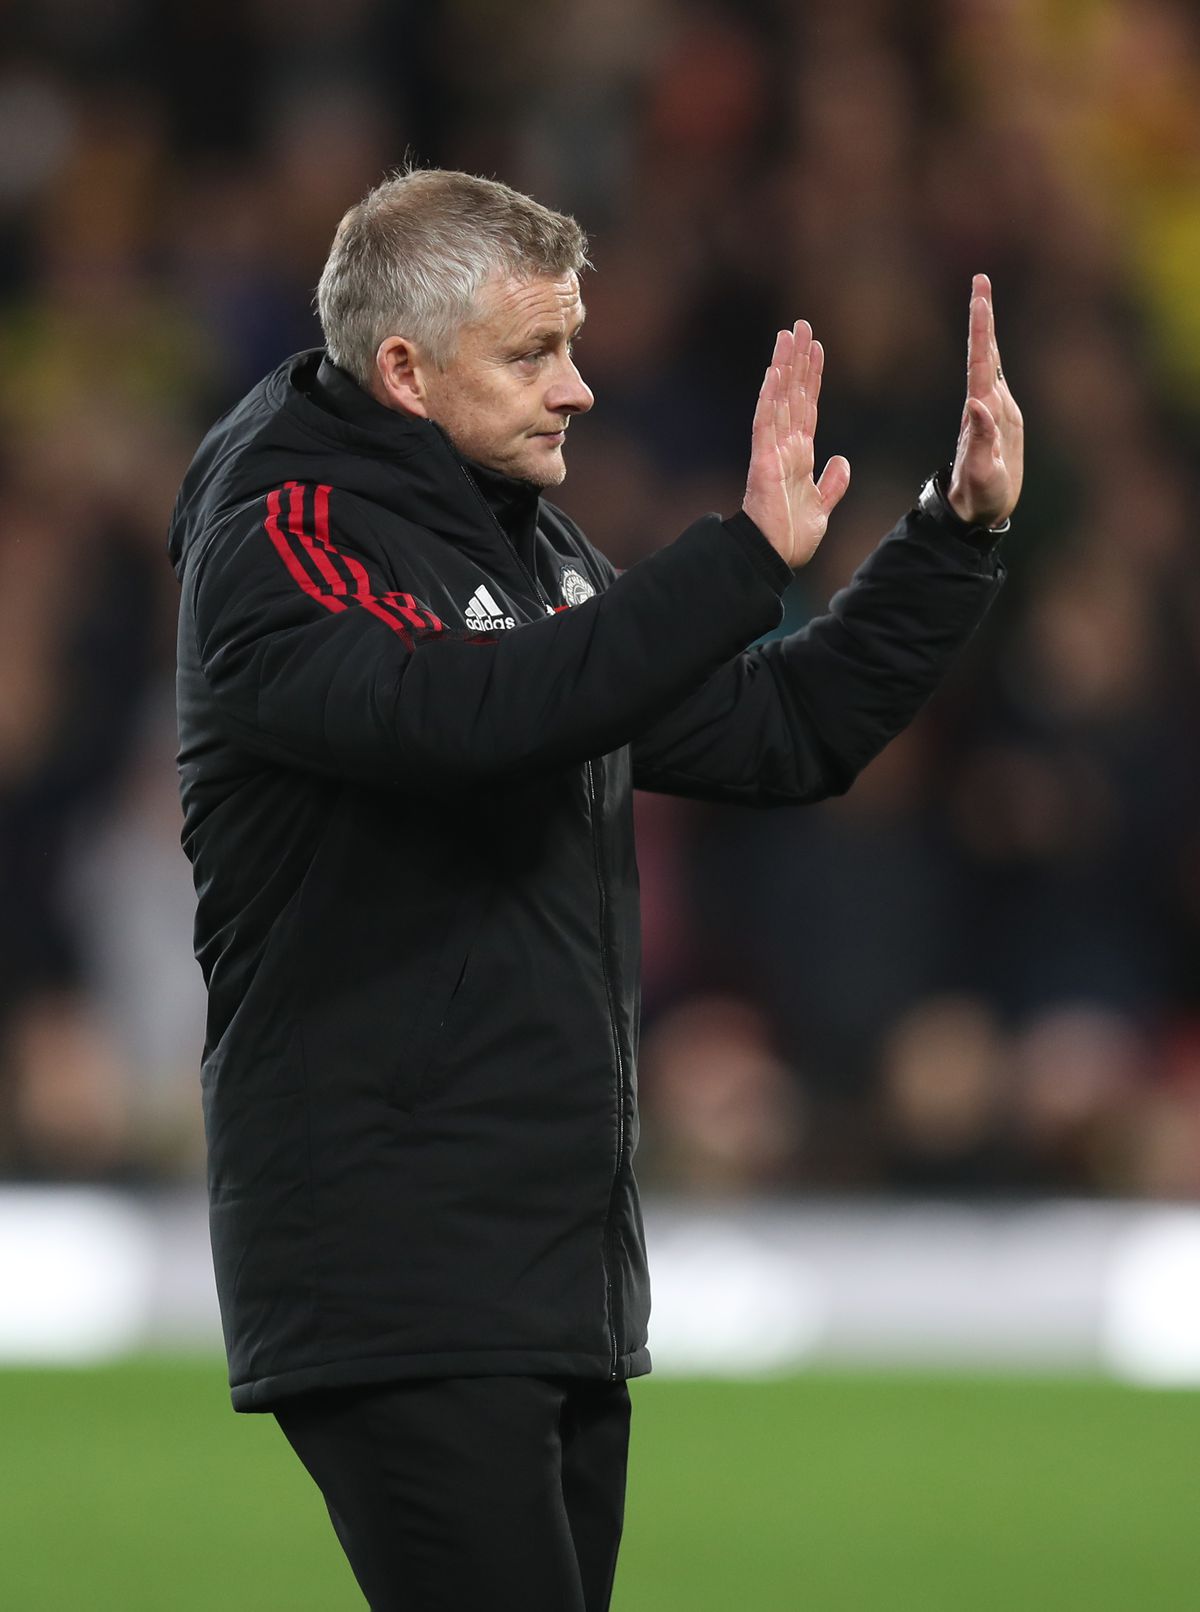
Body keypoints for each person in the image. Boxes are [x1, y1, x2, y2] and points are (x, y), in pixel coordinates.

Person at [169, 168, 1022, 1611]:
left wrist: (953, 535)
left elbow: (781, 730)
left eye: (570, 346)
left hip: (552, 1264)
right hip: (396, 1256)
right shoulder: (284, 535)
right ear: (405, 371)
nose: (576, 388)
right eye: (533, 354)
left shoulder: (524, 543)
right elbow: (466, 714)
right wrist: (737, 561)